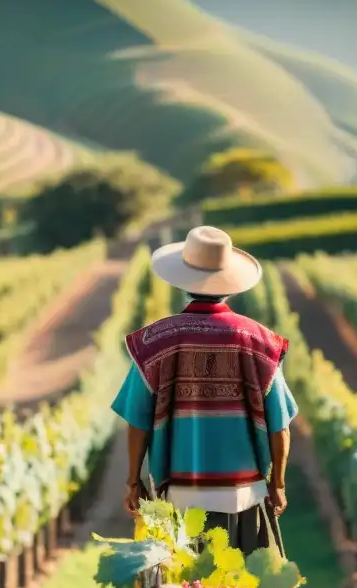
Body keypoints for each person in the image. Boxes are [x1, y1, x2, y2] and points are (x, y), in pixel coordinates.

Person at [111, 225, 297, 557]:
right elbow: (279, 424)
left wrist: (132, 480)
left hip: (178, 500)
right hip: (245, 496)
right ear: (230, 285)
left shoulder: (155, 342)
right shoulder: (259, 342)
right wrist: (278, 484)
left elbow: (138, 421)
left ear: (181, 282)